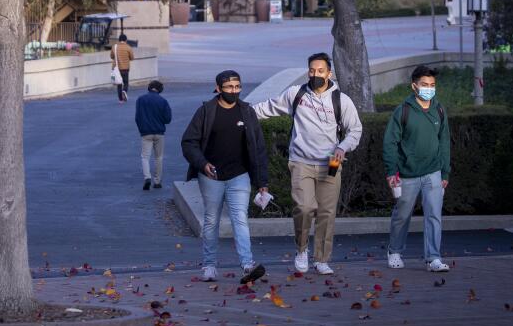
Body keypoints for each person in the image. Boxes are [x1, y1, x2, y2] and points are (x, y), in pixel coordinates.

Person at [251, 52, 363, 275]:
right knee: (303, 208)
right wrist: (242, 112)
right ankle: (301, 250)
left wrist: (342, 147)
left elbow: (355, 130)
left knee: (326, 212)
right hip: (301, 161)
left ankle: (322, 259)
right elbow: (269, 107)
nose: (316, 74)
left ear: (329, 73)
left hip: (330, 163)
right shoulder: (297, 94)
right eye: (312, 70)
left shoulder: (341, 100)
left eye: (320, 71)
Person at [181, 70, 269, 285]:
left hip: (239, 175)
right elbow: (188, 142)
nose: (234, 91)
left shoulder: (246, 112)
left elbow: (258, 148)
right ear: (219, 88)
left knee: (240, 218)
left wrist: (262, 182)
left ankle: (247, 264)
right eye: (229, 87)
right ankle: (209, 265)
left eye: (237, 87)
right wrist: (203, 164)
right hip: (211, 176)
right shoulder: (206, 111)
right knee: (211, 220)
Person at [383, 65, 451, 272]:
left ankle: (433, 258)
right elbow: (390, 143)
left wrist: (445, 172)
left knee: (434, 215)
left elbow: (445, 141)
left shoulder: (439, 109)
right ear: (414, 86)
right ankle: (394, 251)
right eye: (424, 85)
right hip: (407, 174)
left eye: (432, 85)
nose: (429, 88)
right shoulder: (402, 110)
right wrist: (391, 171)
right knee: (402, 215)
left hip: (433, 173)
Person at [135, 80, 173, 190]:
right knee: (158, 158)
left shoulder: (141, 99)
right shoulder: (163, 101)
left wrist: (141, 128)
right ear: (160, 89)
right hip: (159, 132)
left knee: (145, 157)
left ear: (149, 87)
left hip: (146, 132)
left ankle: (147, 177)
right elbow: (168, 119)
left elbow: (137, 117)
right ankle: (157, 181)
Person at [111, 33, 135, 103]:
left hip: (117, 68)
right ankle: (124, 91)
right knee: (126, 82)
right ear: (126, 40)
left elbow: (111, 56)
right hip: (125, 68)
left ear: (119, 40)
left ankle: (120, 100)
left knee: (119, 84)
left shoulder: (114, 47)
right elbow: (132, 58)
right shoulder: (128, 47)